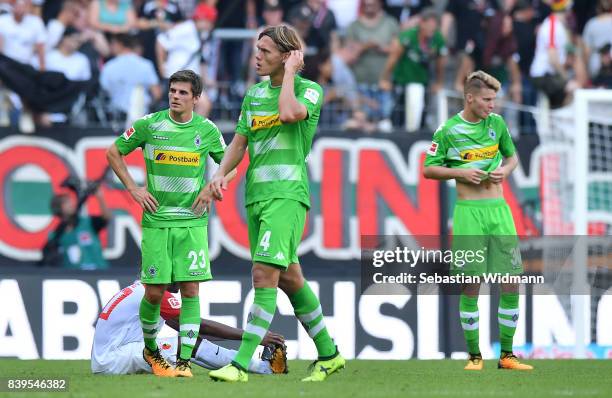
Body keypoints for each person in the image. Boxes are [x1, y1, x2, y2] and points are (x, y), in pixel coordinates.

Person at [207, 25, 344, 383]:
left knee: (263, 275)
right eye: (257, 50)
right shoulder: (252, 95)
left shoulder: (310, 91)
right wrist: (222, 173)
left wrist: (291, 76)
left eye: (265, 51)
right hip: (255, 197)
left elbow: (287, 114)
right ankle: (329, 354)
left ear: (287, 56)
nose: (257, 57)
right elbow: (239, 142)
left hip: (287, 195)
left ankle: (239, 365)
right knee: (290, 278)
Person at [106, 69, 235, 378]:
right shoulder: (150, 125)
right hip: (157, 221)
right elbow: (114, 152)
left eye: (182, 93)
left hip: (192, 223)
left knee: (191, 290)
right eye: (172, 91)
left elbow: (232, 161)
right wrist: (134, 189)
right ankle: (152, 351)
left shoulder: (206, 130)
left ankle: (184, 362)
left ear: (196, 98)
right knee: (154, 292)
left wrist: (214, 184)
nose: (175, 96)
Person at [423, 70, 533, 371]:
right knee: (472, 283)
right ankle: (474, 356)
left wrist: (507, 171)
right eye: (487, 99)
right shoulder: (447, 130)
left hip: (499, 210)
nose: (492, 105)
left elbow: (512, 158)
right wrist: (460, 172)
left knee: (511, 281)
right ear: (470, 98)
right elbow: (429, 169)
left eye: (494, 99)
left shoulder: (497, 125)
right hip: (469, 213)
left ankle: (507, 355)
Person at [92, 280, 288, 375]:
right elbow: (198, 326)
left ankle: (254, 365)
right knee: (185, 344)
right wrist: (252, 337)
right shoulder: (154, 293)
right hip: (113, 360)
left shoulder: (143, 289)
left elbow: (192, 330)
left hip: (109, 358)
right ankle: (263, 369)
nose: (183, 278)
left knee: (188, 341)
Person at [43, 187, 111, 270]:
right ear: (59, 208)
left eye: (71, 201)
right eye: (66, 202)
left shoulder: (87, 222)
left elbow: (106, 218)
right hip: (73, 275)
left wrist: (100, 197)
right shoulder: (56, 235)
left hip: (99, 271)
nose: (71, 204)